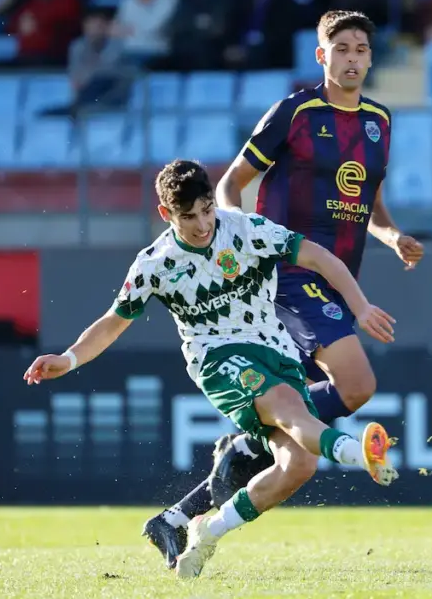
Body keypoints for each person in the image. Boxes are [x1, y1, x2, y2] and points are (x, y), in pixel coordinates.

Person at [142, 9, 424, 567]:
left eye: (361, 49)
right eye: (340, 48)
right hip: (288, 272)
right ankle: (247, 449)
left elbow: (370, 201)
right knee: (358, 381)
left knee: (292, 426)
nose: (352, 58)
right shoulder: (294, 113)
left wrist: (391, 236)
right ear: (322, 56)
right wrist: (234, 243)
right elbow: (231, 184)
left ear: (370, 58)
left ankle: (180, 516)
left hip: (338, 274)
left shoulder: (380, 121)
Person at [24, 159, 400, 578]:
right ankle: (356, 452)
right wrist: (70, 357)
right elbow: (113, 322)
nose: (203, 224)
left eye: (207, 210)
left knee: (299, 465)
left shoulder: (245, 229)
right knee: (287, 408)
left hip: (276, 350)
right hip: (219, 359)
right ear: (167, 215)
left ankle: (209, 530)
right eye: (189, 217)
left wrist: (360, 305)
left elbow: (319, 257)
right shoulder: (156, 264)